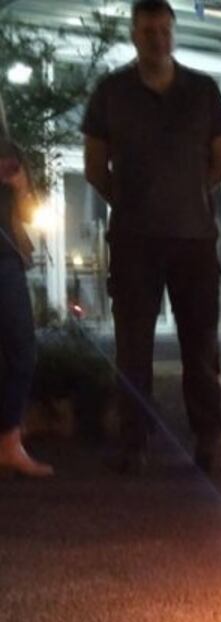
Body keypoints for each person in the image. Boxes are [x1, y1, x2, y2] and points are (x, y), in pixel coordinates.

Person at [81, 0, 221, 473]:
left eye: (165, 30)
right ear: (133, 34)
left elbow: (219, 161)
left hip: (193, 240)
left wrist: (186, 197)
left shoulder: (203, 91)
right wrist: (131, 201)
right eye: (149, 31)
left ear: (174, 32)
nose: (158, 39)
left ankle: (208, 440)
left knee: (201, 347)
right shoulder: (111, 92)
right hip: (135, 242)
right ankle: (135, 444)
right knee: (133, 349)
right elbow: (93, 167)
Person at [0, 95, 53, 477]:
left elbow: (29, 210)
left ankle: (8, 442)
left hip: (6, 261)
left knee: (21, 350)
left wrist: (19, 187)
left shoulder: (8, 149)